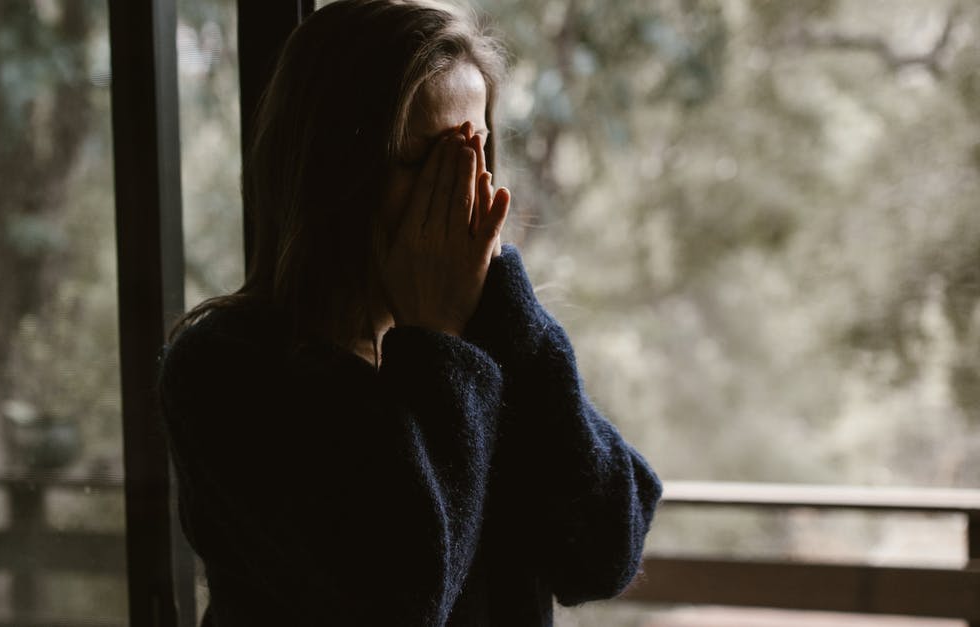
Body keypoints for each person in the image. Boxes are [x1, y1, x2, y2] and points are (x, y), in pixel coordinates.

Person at [157, 1, 662, 624]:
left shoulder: (495, 345)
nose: (461, 189)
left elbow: (605, 551)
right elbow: (400, 589)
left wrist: (506, 311)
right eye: (425, 162)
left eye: (473, 152)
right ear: (331, 169)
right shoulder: (226, 369)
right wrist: (438, 340)